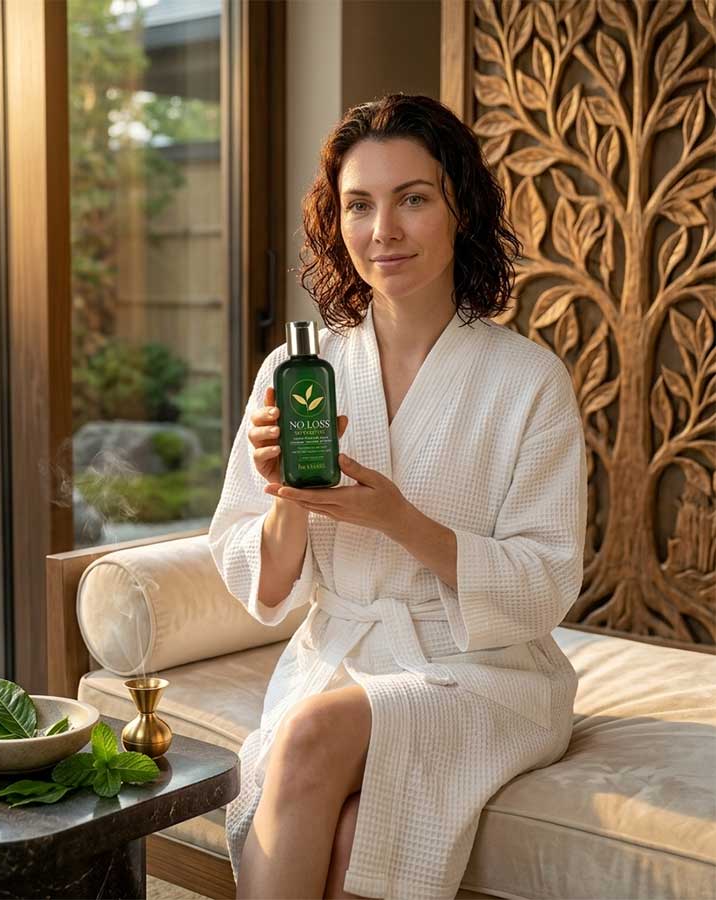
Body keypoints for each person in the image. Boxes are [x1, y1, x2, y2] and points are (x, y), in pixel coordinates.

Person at [207, 93, 587, 900]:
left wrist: (399, 521)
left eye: (413, 198)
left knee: (312, 737)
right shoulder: (296, 373)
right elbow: (265, 588)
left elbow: (547, 582)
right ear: (334, 222)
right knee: (350, 838)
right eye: (359, 204)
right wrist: (286, 497)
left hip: (487, 675)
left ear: (461, 211)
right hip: (343, 663)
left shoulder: (527, 382)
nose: (384, 230)